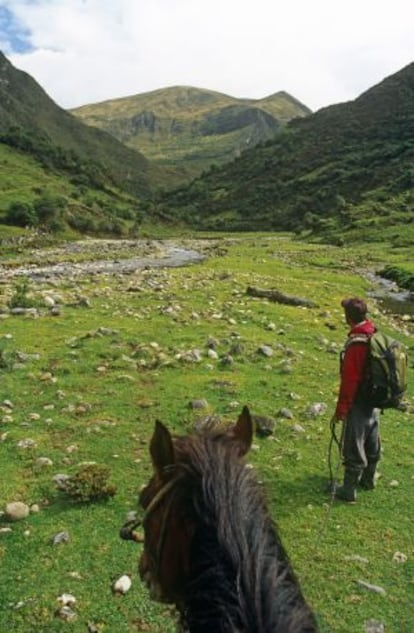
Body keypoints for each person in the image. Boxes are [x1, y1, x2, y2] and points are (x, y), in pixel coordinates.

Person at [332, 297, 381, 502]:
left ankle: (349, 489)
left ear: (348, 317)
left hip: (359, 400)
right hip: (375, 398)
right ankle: (368, 479)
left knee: (354, 442)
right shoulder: (374, 333)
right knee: (372, 437)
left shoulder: (357, 342)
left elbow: (350, 379)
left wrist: (342, 409)